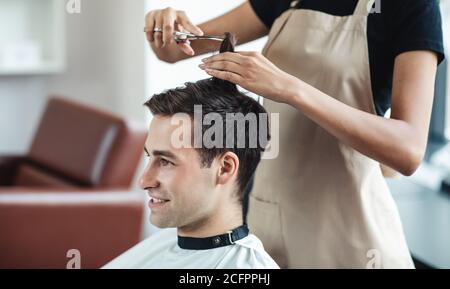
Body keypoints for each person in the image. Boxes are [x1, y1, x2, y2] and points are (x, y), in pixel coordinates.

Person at [144, 0, 445, 268]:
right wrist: (166, 26)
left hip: (348, 233)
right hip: (268, 224)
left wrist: (290, 89)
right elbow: (177, 48)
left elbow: (408, 150)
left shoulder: (411, 6)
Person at [103, 35, 279, 269]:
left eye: (166, 161)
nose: (144, 181)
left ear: (224, 168)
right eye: (149, 156)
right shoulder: (163, 244)